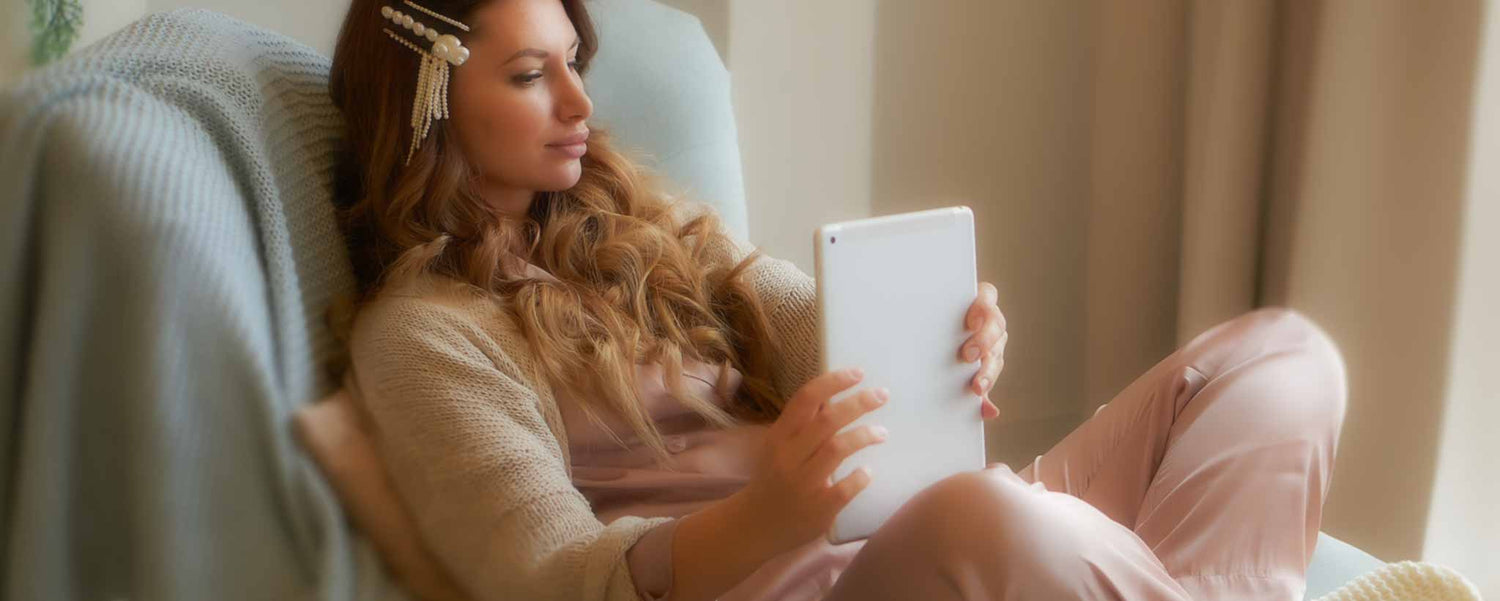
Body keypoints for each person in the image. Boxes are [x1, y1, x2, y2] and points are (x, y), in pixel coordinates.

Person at [324, 1, 1348, 600]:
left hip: (917, 529)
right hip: (811, 585)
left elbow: (830, 327)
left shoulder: (646, 232)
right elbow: (554, 575)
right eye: (531, 76)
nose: (583, 104)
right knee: (992, 512)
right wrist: (768, 512)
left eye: (576, 64)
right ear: (429, 103)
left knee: (1280, 357)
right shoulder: (423, 335)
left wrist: (946, 334)